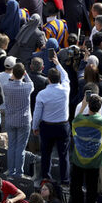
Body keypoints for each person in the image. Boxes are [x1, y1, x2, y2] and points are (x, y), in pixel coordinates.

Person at [32, 51, 70, 182]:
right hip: (62, 126)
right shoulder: (65, 89)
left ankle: (46, 178)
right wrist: (57, 63)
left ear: (48, 79)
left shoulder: (42, 94)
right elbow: (66, 76)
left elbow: (37, 114)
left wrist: (35, 127)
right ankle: (65, 180)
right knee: (63, 155)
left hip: (47, 127)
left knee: (46, 155)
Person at [71, 94, 102, 203]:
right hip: (94, 160)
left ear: (88, 105)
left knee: (77, 185)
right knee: (92, 187)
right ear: (100, 108)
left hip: (79, 158)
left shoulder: (79, 120)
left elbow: (75, 120)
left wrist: (83, 104)